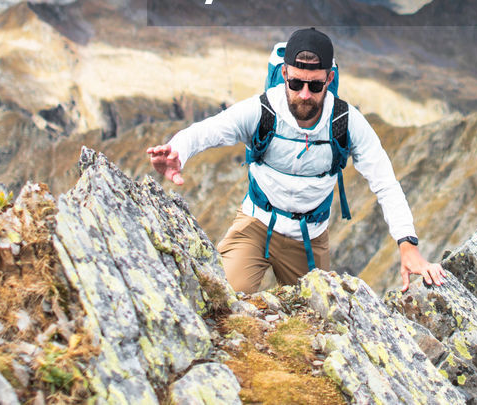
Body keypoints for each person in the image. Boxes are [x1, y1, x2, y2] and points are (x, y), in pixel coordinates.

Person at [147, 27, 447, 294]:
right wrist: (178, 151)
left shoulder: (346, 121)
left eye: (315, 85)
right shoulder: (262, 109)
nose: (305, 95)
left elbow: (385, 183)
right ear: (286, 74)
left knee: (320, 327)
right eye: (296, 83)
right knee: (221, 297)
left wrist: (408, 245)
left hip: (310, 240)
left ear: (329, 78)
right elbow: (209, 131)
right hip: (255, 225)